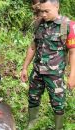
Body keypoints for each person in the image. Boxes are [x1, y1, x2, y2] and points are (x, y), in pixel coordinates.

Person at [21, 0, 75, 129]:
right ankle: (32, 122)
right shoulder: (39, 23)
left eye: (47, 11)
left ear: (57, 7)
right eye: (41, 11)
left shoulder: (66, 26)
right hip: (37, 71)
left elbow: (73, 52)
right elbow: (33, 47)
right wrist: (24, 68)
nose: (43, 14)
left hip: (55, 75)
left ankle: (58, 127)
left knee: (58, 103)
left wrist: (72, 75)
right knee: (33, 97)